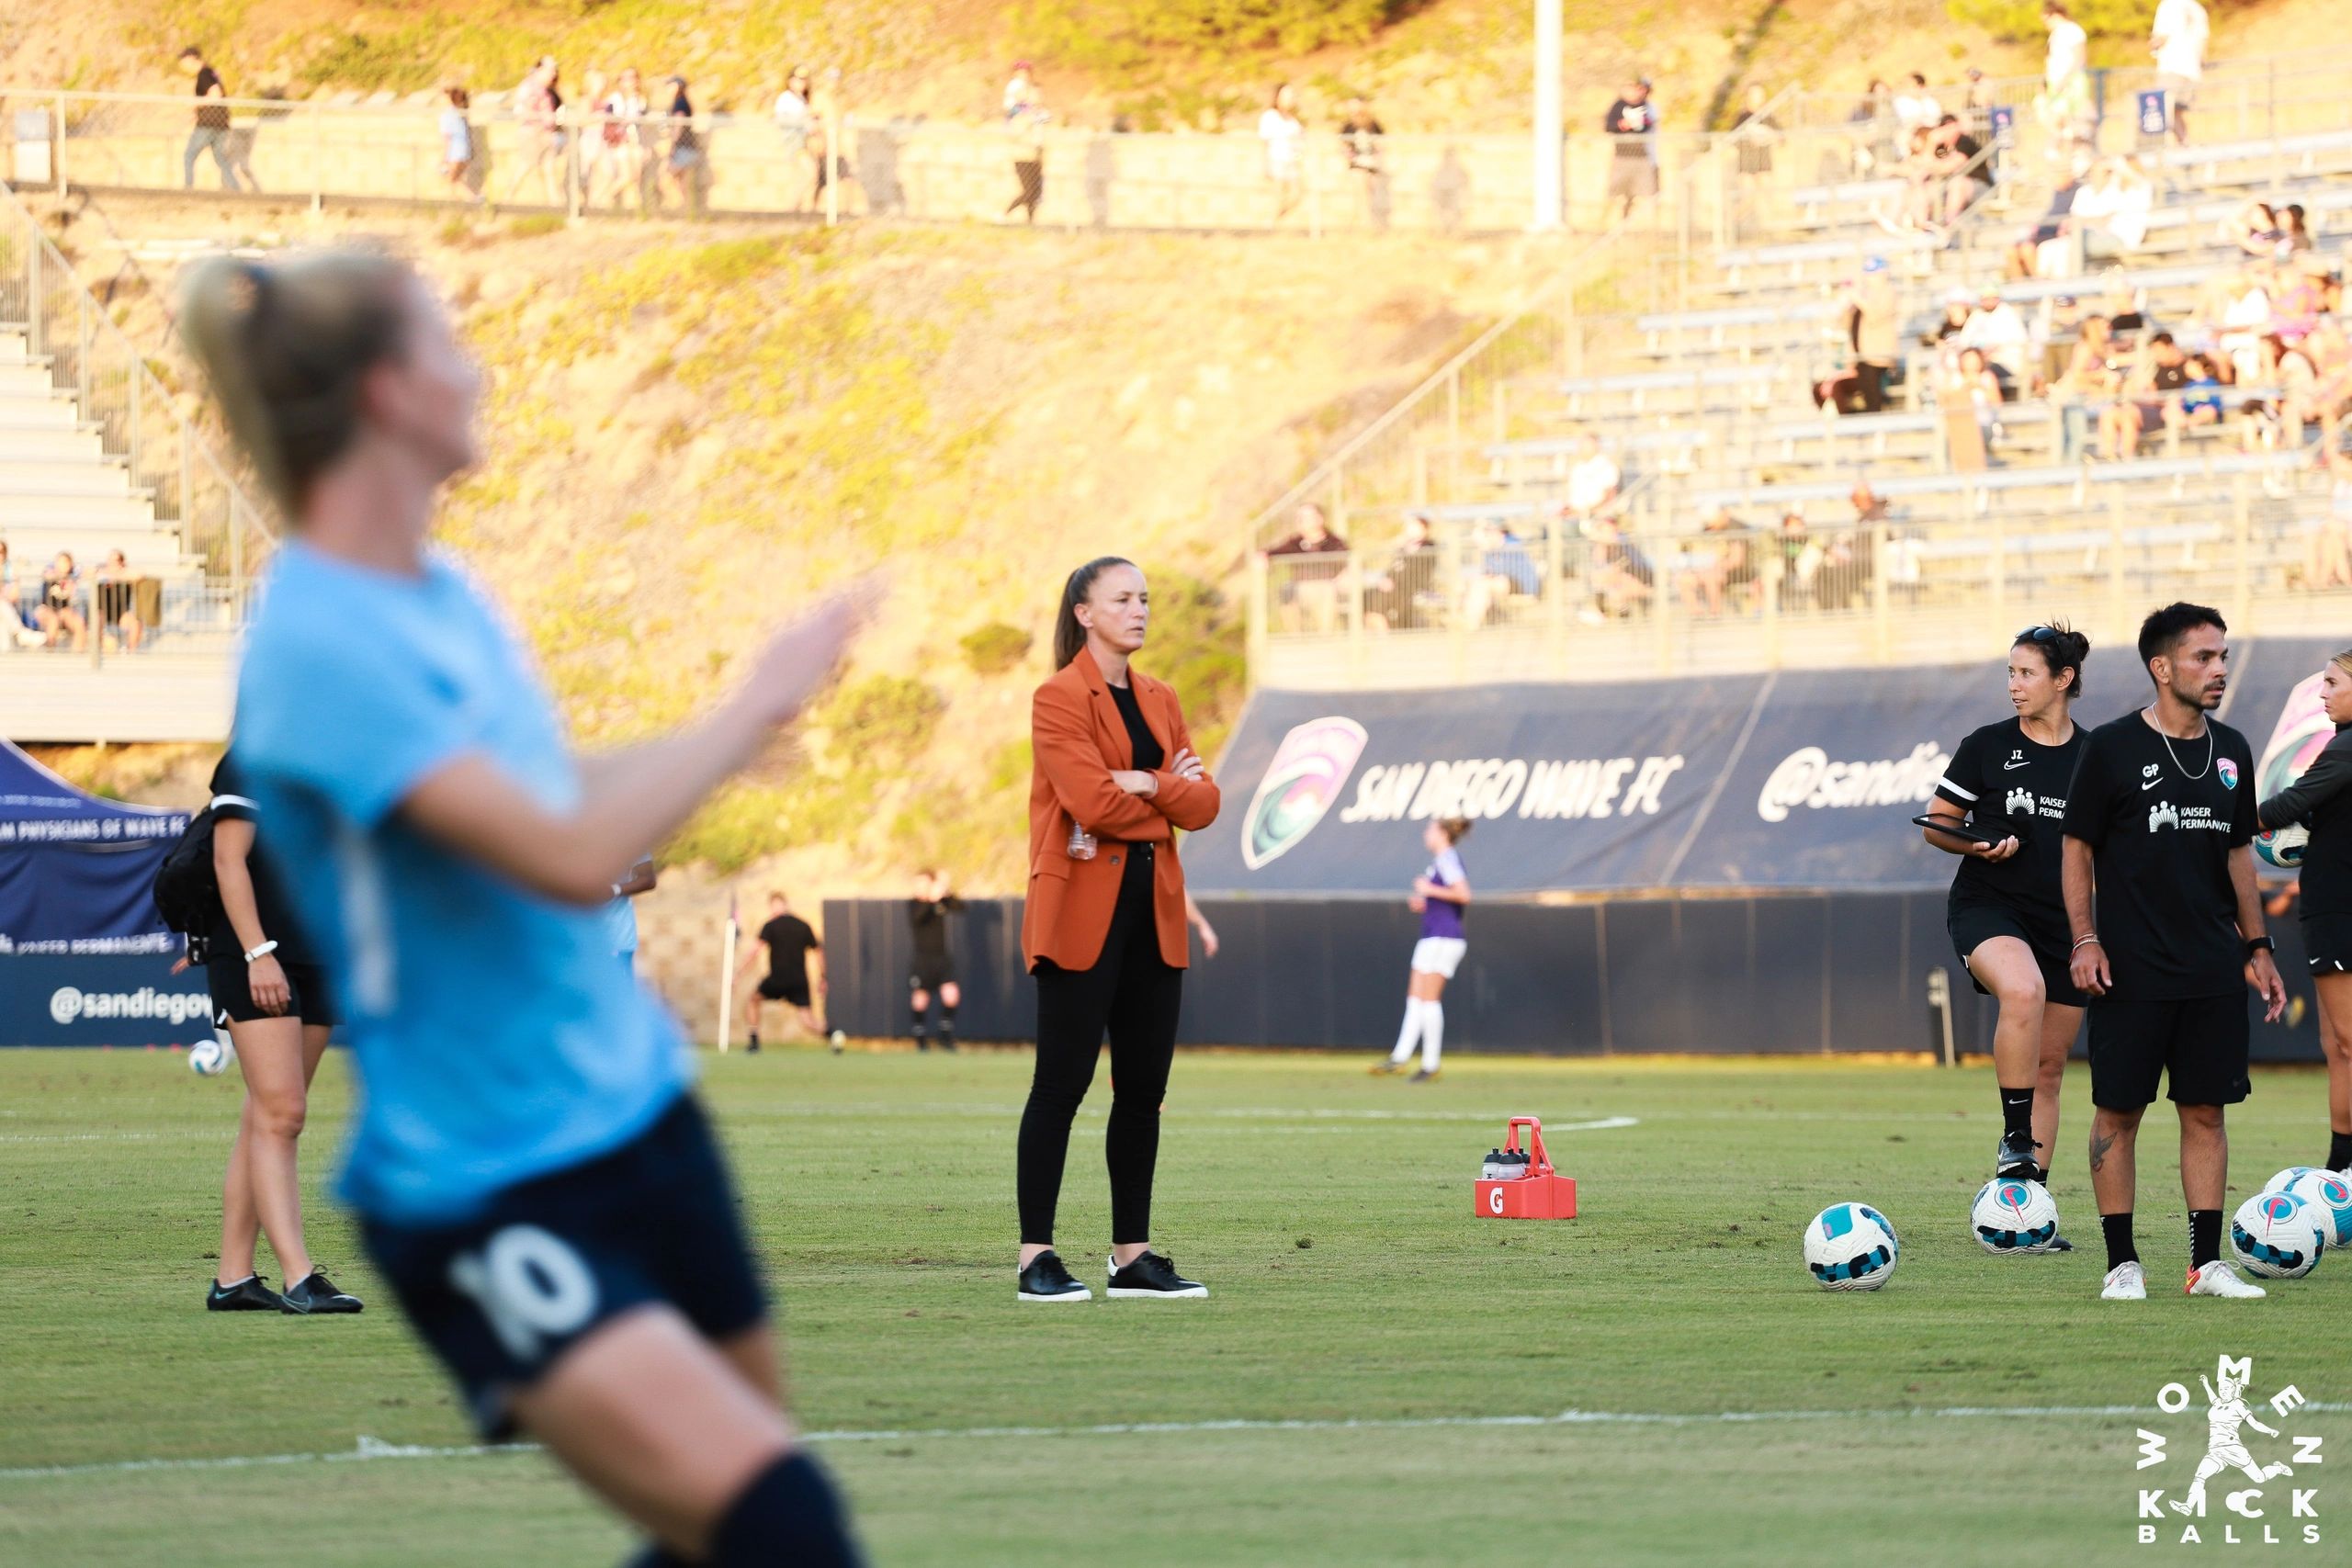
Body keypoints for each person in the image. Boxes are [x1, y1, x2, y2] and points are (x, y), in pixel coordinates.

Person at [179, 246, 867, 1561]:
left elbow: (549, 786)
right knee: (784, 1525)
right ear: (389, 392)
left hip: (638, 1110)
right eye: (452, 347)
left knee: (727, 1524)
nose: (479, 371)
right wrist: (740, 710)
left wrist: (726, 729)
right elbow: (559, 851)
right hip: (487, 1178)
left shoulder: (446, 593)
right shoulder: (320, 641)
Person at [2063, 603, 2285, 1302]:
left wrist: (2257, 944)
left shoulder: (2234, 750)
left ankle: (2203, 1263)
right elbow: (2076, 849)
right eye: (2203, 657)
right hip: (2130, 969)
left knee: (2206, 1113)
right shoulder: (2110, 748)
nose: (2219, 669)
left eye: (2222, 656)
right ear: (2161, 667)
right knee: (2118, 1115)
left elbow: (2240, 854)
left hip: (2213, 967)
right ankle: (2121, 1263)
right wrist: (2085, 937)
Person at [1016, 556, 1220, 1303]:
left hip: (1153, 913)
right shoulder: (1057, 696)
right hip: (1079, 911)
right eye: (1123, 598)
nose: (1139, 610)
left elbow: (1206, 803)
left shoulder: (1162, 698)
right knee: (1060, 1086)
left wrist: (1151, 784)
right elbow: (1092, 804)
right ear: (1084, 611)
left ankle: (1130, 1255)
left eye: (1144, 599)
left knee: (1142, 1092)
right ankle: (1035, 1254)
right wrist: (1163, 793)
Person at [1924, 626, 2092, 1218]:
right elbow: (1937, 824)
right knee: (2024, 990)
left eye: (2027, 674)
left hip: (2066, 923)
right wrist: (1977, 845)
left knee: (2049, 1069)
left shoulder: (2095, 757)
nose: (2014, 686)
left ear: (2063, 679)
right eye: (2010, 673)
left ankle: (2025, 1214)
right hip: (1988, 905)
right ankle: (2014, 1142)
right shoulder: (1987, 745)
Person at [200, 747, 364, 1314]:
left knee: (267, 1114)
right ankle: (299, 1277)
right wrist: (257, 952)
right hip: (256, 955)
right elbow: (228, 860)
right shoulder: (250, 759)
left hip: (315, 953)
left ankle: (232, 1278)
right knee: (284, 1113)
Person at [2256, 648, 2352, 1174]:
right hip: (2329, 907)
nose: (2323, 693)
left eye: (2333, 683)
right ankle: (2340, 1168)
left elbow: (2285, 807)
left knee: (2346, 1043)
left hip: (2338, 910)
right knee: (2335, 1044)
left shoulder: (2346, 749)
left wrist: (2207, 820)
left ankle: (2342, 1172)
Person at [1373, 818, 1473, 1082]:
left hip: (1444, 938)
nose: (1425, 834)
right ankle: (1400, 1057)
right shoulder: (1440, 861)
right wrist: (1427, 903)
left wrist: (1430, 889)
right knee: (1415, 997)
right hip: (1432, 935)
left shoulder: (1448, 858)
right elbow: (1447, 900)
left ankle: (1431, 1064)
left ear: (1442, 834)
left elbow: (1464, 894)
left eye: (1430, 829)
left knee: (1428, 999)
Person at [739, 891, 826, 1052]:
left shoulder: (770, 925)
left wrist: (739, 972)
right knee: (807, 1020)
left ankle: (754, 1041)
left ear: (775, 906)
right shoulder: (803, 925)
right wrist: (823, 977)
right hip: (799, 980)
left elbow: (755, 951)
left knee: (753, 1000)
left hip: (777, 978)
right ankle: (834, 1035)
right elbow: (819, 952)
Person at [908, 869, 963, 1052]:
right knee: (920, 998)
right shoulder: (914, 904)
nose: (919, 887)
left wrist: (946, 890)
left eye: (924, 883)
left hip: (942, 958)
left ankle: (945, 1034)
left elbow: (960, 907)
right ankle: (920, 1038)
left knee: (951, 996)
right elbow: (918, 918)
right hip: (923, 959)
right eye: (917, 883)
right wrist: (931, 899)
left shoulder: (940, 902)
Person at [501, 57, 567, 208]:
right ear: (540, 70)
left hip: (546, 134)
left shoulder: (547, 89)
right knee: (525, 166)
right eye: (550, 71)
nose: (553, 74)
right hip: (532, 133)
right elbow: (522, 110)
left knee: (549, 169)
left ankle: (555, 205)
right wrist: (540, 121)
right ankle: (506, 199)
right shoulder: (529, 87)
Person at [179, 47, 246, 192]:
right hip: (221, 122)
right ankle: (235, 188)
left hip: (208, 123)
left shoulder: (204, 74)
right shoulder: (211, 72)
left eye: (184, 63)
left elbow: (215, 94)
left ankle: (188, 188)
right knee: (220, 157)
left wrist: (196, 104)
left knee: (189, 155)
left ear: (191, 59)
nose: (184, 68)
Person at [2150, 0, 2209, 145]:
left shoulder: (2169, 5)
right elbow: (2204, 44)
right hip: (2191, 69)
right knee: (2177, 113)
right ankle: (2186, 146)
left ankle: (2168, 151)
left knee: (2160, 112)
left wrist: (2152, 45)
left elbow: (2161, 38)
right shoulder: (2197, 9)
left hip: (2172, 65)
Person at [1603, 77, 1659, 223]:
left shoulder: (1647, 107)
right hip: (1622, 156)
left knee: (1646, 194)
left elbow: (1647, 125)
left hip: (1643, 156)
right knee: (1617, 194)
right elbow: (1609, 126)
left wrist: (1636, 123)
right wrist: (1623, 124)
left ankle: (1648, 226)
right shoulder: (1619, 105)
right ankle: (1610, 223)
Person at [662, 76, 707, 219]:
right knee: (680, 181)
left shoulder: (680, 103)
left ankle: (679, 207)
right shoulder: (681, 101)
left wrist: (672, 145)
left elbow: (679, 124)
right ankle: (685, 208)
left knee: (665, 177)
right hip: (686, 147)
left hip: (683, 147)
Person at [1340, 97, 1388, 229]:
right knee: (1361, 192)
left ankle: (1361, 222)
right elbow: (1344, 147)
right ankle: (1364, 223)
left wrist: (1376, 158)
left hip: (1371, 165)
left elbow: (1380, 145)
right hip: (1357, 165)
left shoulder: (1373, 125)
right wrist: (1353, 158)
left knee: (1369, 194)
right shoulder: (1348, 127)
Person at [1260, 83, 1305, 225]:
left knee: (1296, 195)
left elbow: (1300, 141)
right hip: (1276, 159)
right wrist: (1265, 163)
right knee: (1278, 194)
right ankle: (1271, 223)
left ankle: (1273, 220)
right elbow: (1264, 142)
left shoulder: (1293, 120)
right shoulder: (1270, 116)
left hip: (1291, 161)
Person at [607, 854, 654, 977]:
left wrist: (613, 890)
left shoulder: (626, 835)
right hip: (569, 936)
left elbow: (648, 879)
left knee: (614, 991)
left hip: (616, 935)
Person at [93, 548, 146, 652]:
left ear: (121, 563)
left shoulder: (125, 574)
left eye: (115, 561)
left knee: (136, 623)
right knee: (97, 620)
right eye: (110, 560)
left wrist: (117, 576)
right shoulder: (101, 571)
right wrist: (105, 575)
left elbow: (140, 575)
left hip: (120, 613)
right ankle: (98, 649)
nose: (111, 563)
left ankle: (131, 651)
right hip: (102, 611)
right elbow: (87, 573)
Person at [439, 86, 483, 202]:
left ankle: (474, 198)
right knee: (454, 178)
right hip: (465, 151)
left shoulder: (447, 115)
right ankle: (456, 199)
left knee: (452, 178)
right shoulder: (460, 114)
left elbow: (447, 139)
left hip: (455, 152)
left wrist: (444, 157)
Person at [34, 550, 84, 649]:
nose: (62, 565)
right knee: (53, 620)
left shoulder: (72, 577)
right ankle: (50, 651)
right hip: (47, 608)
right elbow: (47, 575)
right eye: (60, 562)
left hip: (64, 610)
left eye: (65, 562)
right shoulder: (50, 571)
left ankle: (77, 653)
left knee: (79, 623)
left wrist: (71, 579)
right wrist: (62, 576)